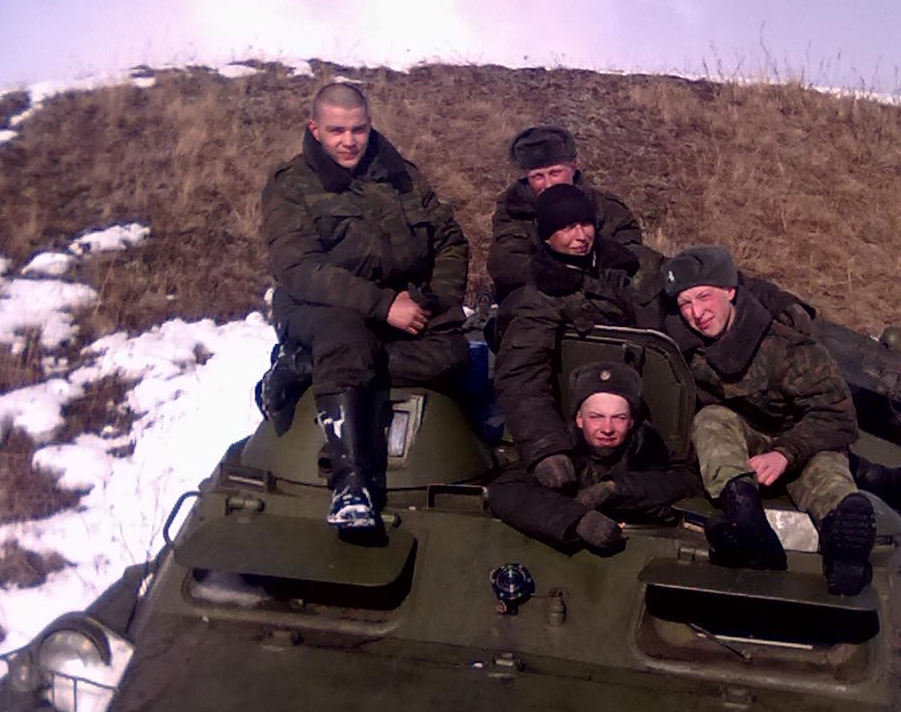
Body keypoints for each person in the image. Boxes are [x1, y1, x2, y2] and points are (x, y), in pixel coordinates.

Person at [260, 81, 469, 532]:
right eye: (337, 131)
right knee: (347, 340)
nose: (349, 141)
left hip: (400, 306)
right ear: (315, 129)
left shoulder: (402, 176)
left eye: (358, 129)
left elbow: (450, 240)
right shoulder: (291, 186)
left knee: (452, 354)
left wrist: (431, 299)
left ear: (369, 125)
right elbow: (299, 269)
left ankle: (306, 366)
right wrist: (382, 305)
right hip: (319, 307)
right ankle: (351, 485)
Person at [659, 245, 876, 595]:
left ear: (729, 291)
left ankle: (844, 544)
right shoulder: (683, 347)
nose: (696, 313)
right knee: (710, 420)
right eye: (685, 304)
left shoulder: (788, 346)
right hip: (744, 438)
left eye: (704, 297)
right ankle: (745, 517)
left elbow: (837, 416)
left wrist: (785, 453)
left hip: (802, 438)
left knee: (827, 471)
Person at [494, 182, 663, 476]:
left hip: (650, 413)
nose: (581, 236)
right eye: (567, 228)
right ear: (547, 238)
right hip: (583, 429)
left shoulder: (628, 265)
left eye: (585, 224)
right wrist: (546, 447)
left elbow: (687, 282)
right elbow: (522, 376)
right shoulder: (540, 296)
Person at [488, 361, 699, 552]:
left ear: (631, 421)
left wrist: (614, 489)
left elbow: (687, 481)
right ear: (579, 419)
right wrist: (579, 521)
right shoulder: (562, 453)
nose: (607, 428)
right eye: (596, 417)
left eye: (619, 417)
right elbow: (505, 490)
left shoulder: (649, 449)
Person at [488, 124, 643, 313]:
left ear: (573, 167)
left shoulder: (606, 207)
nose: (548, 184)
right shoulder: (513, 211)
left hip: (606, 302)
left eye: (555, 173)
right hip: (539, 304)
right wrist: (550, 274)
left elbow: (634, 254)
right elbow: (506, 263)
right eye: (537, 176)